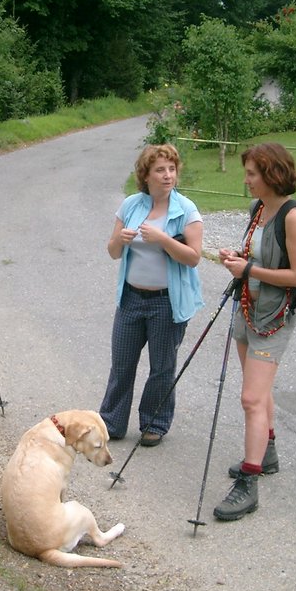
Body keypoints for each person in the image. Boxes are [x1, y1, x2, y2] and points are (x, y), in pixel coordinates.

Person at [215, 143, 296, 520]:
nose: (247, 180)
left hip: (273, 317)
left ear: (271, 174)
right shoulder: (259, 210)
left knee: (251, 399)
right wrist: (238, 261)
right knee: (259, 394)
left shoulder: (293, 217)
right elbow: (256, 257)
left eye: (252, 173)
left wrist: (248, 271)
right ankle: (266, 454)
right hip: (247, 309)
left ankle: (249, 484)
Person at [99, 143, 204, 447]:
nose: (167, 175)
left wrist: (162, 239)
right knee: (122, 364)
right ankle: (112, 423)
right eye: (160, 170)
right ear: (145, 175)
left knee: (162, 368)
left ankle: (154, 423)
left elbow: (193, 257)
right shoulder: (131, 205)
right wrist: (120, 238)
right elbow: (113, 252)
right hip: (131, 299)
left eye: (171, 169)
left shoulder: (186, 210)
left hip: (166, 302)